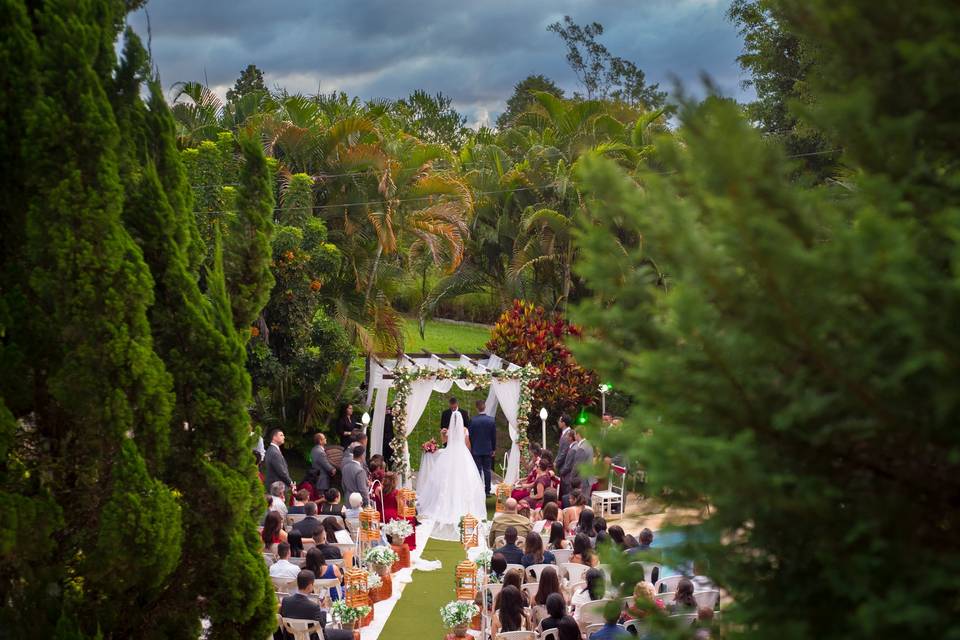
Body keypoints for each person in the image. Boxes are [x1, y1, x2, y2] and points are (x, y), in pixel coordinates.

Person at [416, 408, 486, 540]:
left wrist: (445, 436)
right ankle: (463, 507)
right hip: (462, 455)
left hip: (450, 454)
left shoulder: (447, 431)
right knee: (463, 481)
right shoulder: (465, 430)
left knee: (447, 480)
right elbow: (467, 444)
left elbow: (444, 443)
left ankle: (446, 505)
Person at [278, 570, 352, 640]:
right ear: (310, 586)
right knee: (350, 635)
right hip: (313, 637)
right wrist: (323, 609)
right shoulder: (313, 607)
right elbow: (322, 624)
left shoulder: (285, 601)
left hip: (292, 637)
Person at [376, 472, 416, 550]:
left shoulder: (379, 490)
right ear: (395, 481)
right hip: (393, 516)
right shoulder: (397, 492)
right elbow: (402, 507)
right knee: (411, 518)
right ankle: (407, 543)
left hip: (382, 515)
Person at [467, 399, 496, 495]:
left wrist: (472, 447)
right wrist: (494, 449)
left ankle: (478, 490)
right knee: (487, 470)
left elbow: (470, 436)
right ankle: (487, 490)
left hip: (476, 449)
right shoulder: (491, 420)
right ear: (485, 407)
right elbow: (493, 436)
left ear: (477, 408)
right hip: (488, 449)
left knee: (477, 470)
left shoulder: (473, 421)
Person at [264, 429, 293, 493]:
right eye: (281, 435)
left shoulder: (272, 449)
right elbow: (281, 472)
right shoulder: (274, 452)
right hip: (277, 488)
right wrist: (291, 483)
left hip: (275, 486)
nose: (284, 437)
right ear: (274, 437)